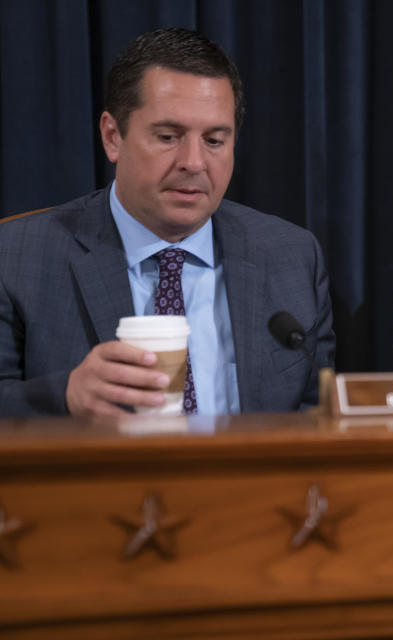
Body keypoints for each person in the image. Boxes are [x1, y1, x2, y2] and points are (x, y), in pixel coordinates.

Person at [0, 28, 334, 418]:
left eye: (214, 141)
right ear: (113, 137)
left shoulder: (292, 257)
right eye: (167, 136)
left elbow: (319, 414)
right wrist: (65, 396)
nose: (193, 162)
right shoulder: (17, 257)